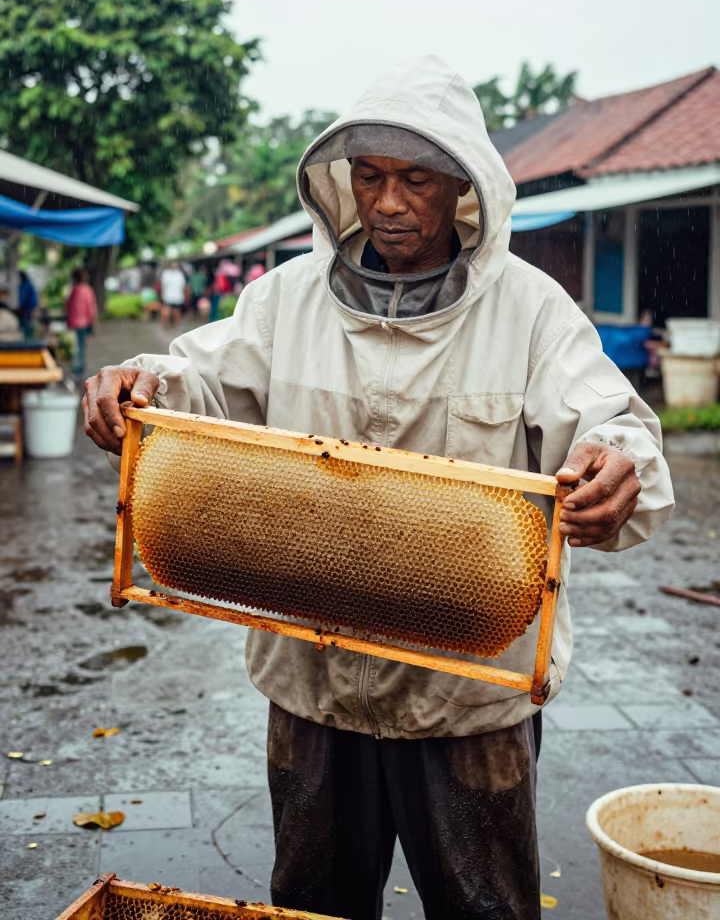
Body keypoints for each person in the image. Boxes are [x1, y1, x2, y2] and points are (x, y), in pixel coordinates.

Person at [82, 58, 674, 920]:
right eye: (369, 176)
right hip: (311, 685)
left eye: (414, 179)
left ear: (463, 188)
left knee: (486, 910)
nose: (388, 202)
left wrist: (617, 464)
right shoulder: (283, 300)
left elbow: (612, 422)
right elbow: (199, 384)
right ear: (340, 182)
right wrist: (139, 387)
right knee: (314, 903)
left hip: (469, 697)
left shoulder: (532, 310)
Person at [66, 267, 97, 377]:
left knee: (77, 346)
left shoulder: (74, 290)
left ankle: (78, 368)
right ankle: (80, 368)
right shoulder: (87, 290)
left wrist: (69, 322)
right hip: (84, 324)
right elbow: (91, 309)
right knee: (82, 346)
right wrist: (93, 324)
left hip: (74, 323)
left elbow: (68, 307)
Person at [159, 260, 187, 327]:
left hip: (172, 296)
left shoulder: (167, 274)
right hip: (174, 296)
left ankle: (168, 325)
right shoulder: (179, 274)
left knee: (171, 311)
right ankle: (173, 326)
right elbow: (183, 287)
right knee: (173, 312)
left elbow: (163, 285)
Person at [18, 270, 38, 340]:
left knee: (28, 328)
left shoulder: (26, 285)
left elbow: (24, 298)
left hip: (28, 310)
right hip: (26, 310)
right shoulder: (26, 285)